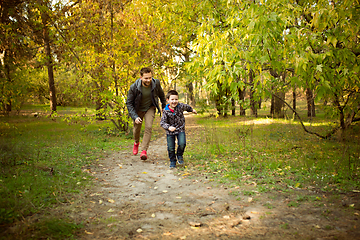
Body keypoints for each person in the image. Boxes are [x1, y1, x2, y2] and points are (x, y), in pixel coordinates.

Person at [126, 67, 166, 160]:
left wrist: (164, 107)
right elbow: (129, 103)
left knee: (148, 127)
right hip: (138, 109)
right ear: (141, 77)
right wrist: (135, 116)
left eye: (150, 78)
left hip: (150, 108)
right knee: (137, 129)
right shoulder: (134, 87)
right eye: (146, 78)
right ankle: (136, 142)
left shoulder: (156, 83)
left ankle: (144, 151)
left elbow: (162, 95)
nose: (148, 80)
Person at [160, 90, 197, 169]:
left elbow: (187, 107)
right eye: (172, 99)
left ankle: (179, 155)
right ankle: (172, 160)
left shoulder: (180, 106)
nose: (174, 101)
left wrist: (192, 110)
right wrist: (169, 127)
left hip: (180, 129)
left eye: (176, 99)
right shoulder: (165, 111)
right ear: (168, 100)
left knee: (182, 143)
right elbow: (162, 122)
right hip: (170, 132)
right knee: (171, 147)